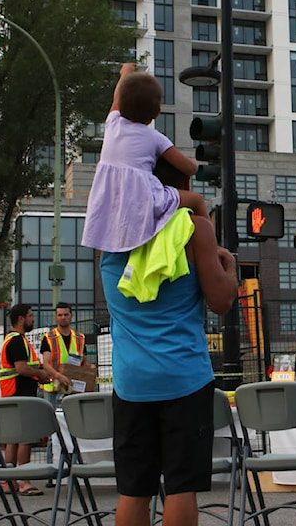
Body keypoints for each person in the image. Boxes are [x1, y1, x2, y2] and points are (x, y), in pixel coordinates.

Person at [98, 159, 238, 526]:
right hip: (184, 377)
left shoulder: (112, 236)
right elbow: (221, 301)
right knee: (180, 485)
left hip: (131, 383)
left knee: (133, 489)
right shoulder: (193, 229)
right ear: (185, 184)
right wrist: (230, 268)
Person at [81, 63, 208, 254]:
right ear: (157, 113)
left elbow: (118, 96)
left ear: (120, 107)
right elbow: (189, 169)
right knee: (197, 200)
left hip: (111, 200)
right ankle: (212, 247)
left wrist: (125, 72)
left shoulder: (113, 123)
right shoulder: (155, 137)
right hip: (142, 199)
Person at [0, 303, 53, 496]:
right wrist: (40, 374)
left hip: (11, 395)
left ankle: (10, 480)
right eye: (30, 316)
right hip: (20, 396)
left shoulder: (10, 340)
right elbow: (21, 368)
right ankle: (24, 481)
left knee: (13, 440)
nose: (32, 319)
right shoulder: (17, 341)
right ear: (21, 318)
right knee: (25, 439)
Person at [40, 302, 89, 486]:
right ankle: (52, 471)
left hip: (74, 388)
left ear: (71, 316)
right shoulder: (49, 337)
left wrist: (87, 371)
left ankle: (74, 467)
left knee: (74, 428)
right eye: (60, 315)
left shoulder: (79, 338)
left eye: (66, 315)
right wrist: (59, 375)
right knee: (53, 430)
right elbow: (45, 364)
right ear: (56, 317)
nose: (63, 318)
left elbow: (83, 360)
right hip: (54, 388)